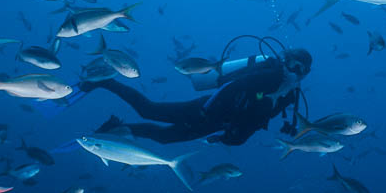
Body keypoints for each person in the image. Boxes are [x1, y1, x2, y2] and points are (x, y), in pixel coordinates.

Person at [78, 45, 312, 147]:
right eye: (294, 65)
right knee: (148, 110)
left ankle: (117, 128)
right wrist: (208, 109)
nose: (295, 72)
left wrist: (229, 138)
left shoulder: (289, 96)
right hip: (205, 110)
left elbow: (258, 121)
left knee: (164, 138)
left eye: (302, 70)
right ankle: (106, 81)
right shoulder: (269, 75)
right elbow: (232, 87)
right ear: (286, 60)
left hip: (218, 124)